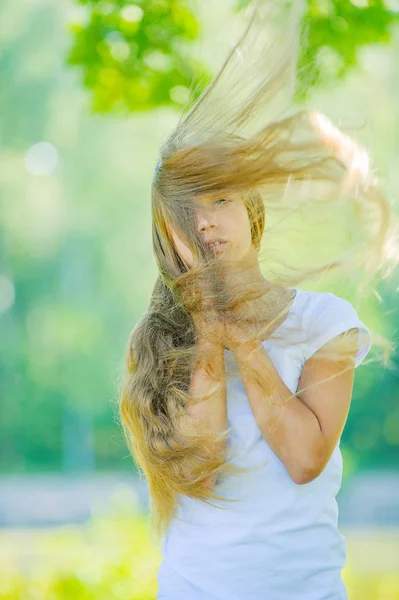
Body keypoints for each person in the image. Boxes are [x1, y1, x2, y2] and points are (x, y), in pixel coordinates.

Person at [118, 1, 398, 599]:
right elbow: (202, 462)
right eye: (184, 214)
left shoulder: (325, 322)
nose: (205, 224)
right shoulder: (157, 339)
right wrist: (211, 325)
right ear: (166, 235)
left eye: (219, 200)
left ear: (249, 207)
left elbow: (303, 458)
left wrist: (240, 333)